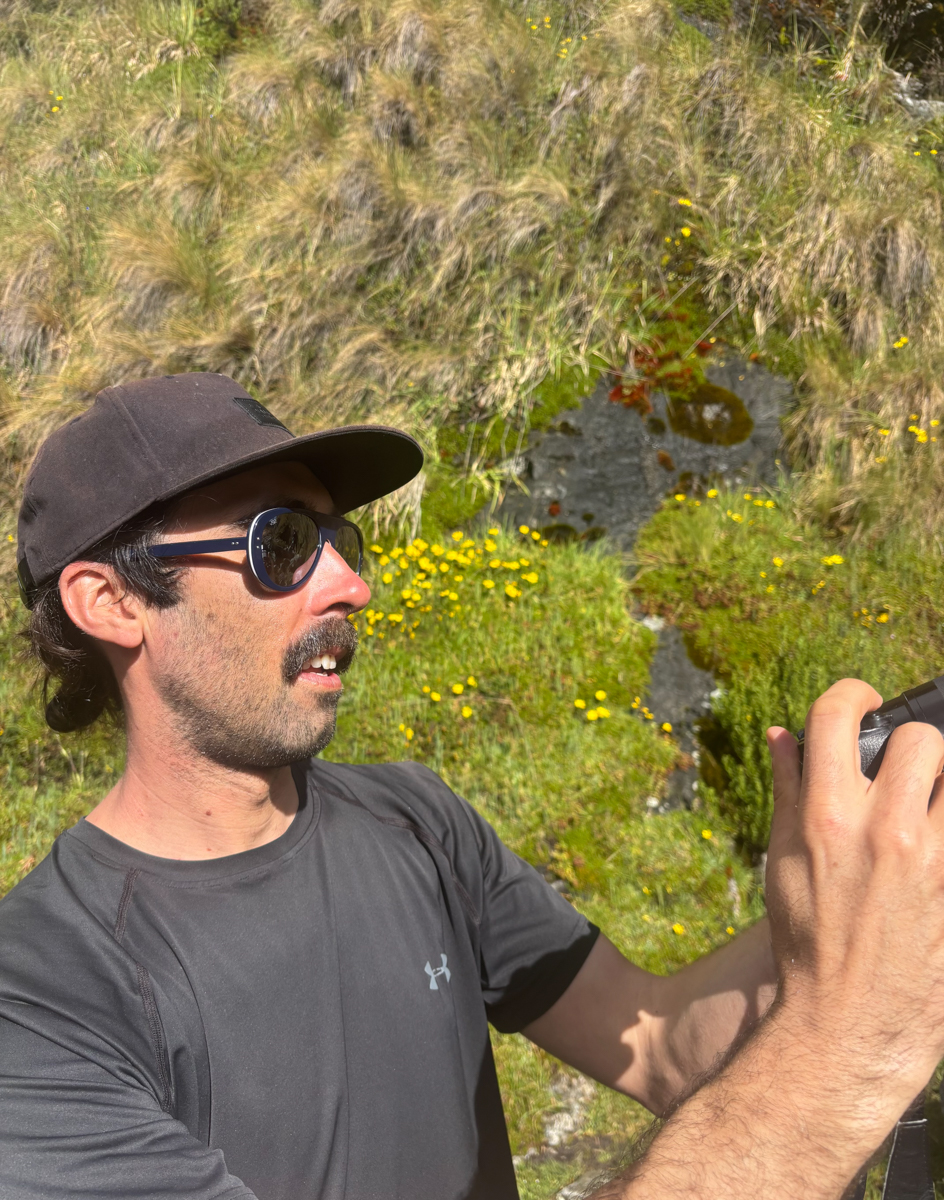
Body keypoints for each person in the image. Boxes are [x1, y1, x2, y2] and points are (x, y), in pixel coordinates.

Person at [0, 372, 941, 1200]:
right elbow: (810, 1053)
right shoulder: (40, 1001)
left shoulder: (415, 822)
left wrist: (855, 903)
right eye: (281, 542)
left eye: (340, 540)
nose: (350, 586)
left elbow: (660, 1047)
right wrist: (842, 1051)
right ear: (111, 601)